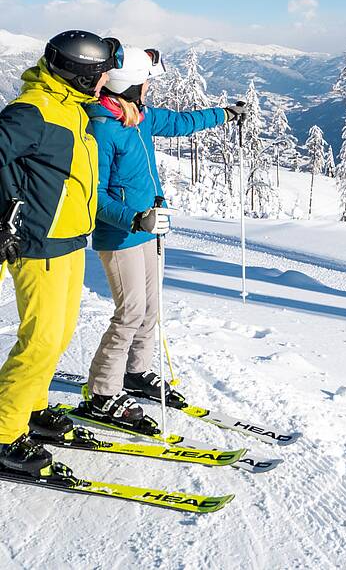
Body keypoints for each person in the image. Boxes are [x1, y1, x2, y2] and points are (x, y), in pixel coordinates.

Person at [82, 46, 247, 428]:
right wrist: (136, 219)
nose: (147, 90)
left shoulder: (139, 118)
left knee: (150, 310)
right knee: (130, 313)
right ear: (129, 88)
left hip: (149, 229)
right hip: (120, 236)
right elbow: (95, 197)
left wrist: (224, 114)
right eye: (143, 84)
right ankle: (103, 392)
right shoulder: (102, 129)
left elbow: (181, 122)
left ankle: (135, 373)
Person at [0, 31, 123, 474]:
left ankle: (31, 410)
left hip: (70, 240)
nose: (107, 79)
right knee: (41, 340)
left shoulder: (71, 106)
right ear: (79, 74)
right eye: (101, 73)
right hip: (38, 245)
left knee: (58, 336)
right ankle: (3, 433)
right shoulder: (32, 112)